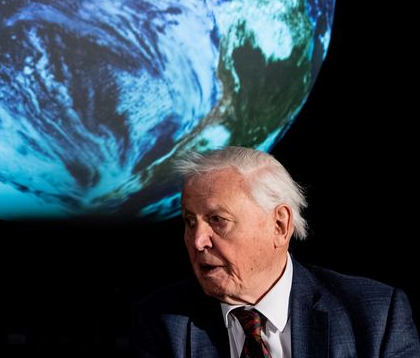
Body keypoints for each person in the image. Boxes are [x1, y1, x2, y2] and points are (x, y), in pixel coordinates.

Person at [133, 146, 419, 357]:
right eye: (189, 221)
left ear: (280, 225)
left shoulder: (376, 318)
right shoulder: (161, 322)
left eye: (218, 220)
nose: (198, 241)